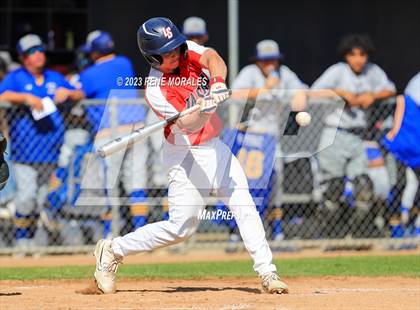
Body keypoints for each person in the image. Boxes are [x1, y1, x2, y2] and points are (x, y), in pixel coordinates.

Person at [91, 17, 288, 295]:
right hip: (184, 153)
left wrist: (218, 83)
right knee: (181, 228)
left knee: (242, 201)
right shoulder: (155, 88)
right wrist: (204, 108)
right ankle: (113, 249)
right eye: (167, 53)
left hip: (214, 145)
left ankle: (268, 272)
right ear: (152, 57)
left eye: (175, 48)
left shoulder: (188, 50)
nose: (174, 54)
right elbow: (187, 124)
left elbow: (213, 57)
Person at [0, 34, 82, 249]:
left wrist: (69, 93)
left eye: (39, 50)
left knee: (40, 199)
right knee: (26, 197)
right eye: (31, 52)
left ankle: (33, 239)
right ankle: (21, 240)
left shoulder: (54, 77)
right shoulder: (16, 77)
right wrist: (25, 98)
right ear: (23, 57)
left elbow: (79, 93)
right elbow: (2, 96)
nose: (37, 55)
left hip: (51, 150)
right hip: (25, 151)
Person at [311, 34, 396, 236]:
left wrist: (373, 95)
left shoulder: (372, 72)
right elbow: (313, 92)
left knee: (363, 186)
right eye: (353, 55)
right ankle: (332, 236)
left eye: (362, 55)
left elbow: (390, 89)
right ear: (346, 56)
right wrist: (339, 93)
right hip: (335, 133)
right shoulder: (337, 71)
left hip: (359, 136)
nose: (358, 59)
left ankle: (357, 235)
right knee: (333, 188)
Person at [224, 39, 307, 243]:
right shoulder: (249, 73)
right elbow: (234, 94)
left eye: (273, 60)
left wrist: (298, 101)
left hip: (271, 137)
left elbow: (301, 93)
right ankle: (236, 230)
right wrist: (264, 88)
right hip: (248, 135)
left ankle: (275, 229)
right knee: (243, 183)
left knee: (275, 179)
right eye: (265, 60)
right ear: (258, 61)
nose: (270, 64)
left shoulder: (285, 74)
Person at [75, 30, 148, 237]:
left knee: (110, 185)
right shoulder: (125, 63)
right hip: (137, 129)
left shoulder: (88, 74)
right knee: (137, 184)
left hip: (110, 134)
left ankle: (111, 234)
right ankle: (141, 232)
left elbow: (75, 94)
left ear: (95, 52)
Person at [382, 72, 420, 236]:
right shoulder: (416, 83)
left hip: (414, 144)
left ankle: (411, 222)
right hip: (407, 143)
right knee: (401, 183)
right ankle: (397, 223)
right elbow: (404, 101)